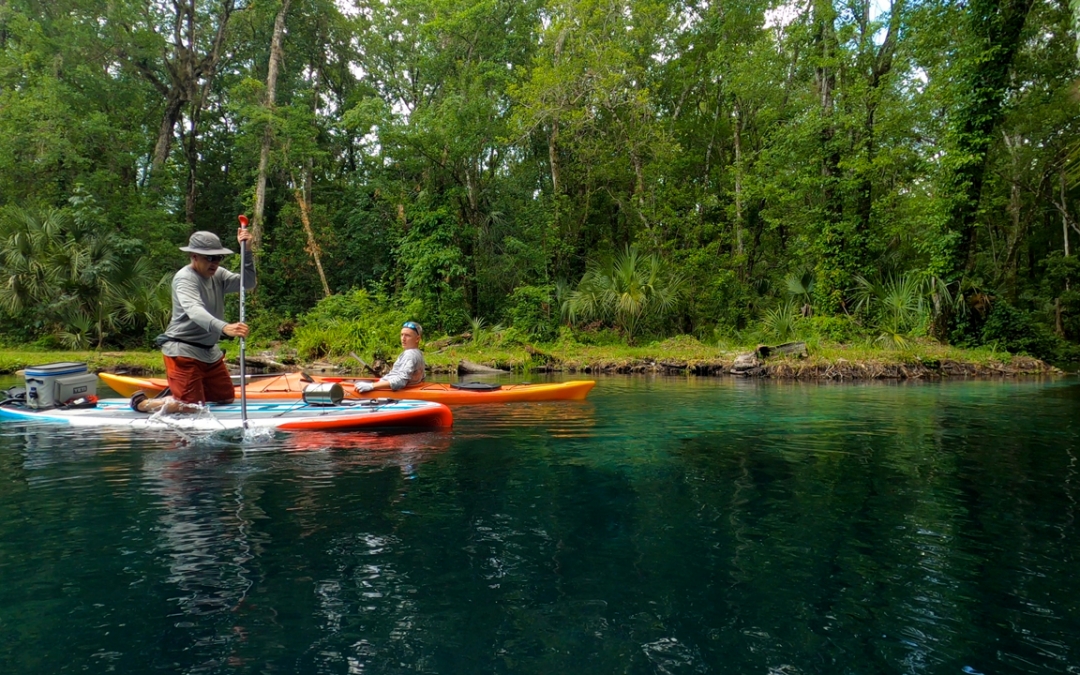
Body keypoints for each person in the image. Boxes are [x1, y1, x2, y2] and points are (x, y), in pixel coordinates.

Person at [132, 229, 256, 414]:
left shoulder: (219, 274)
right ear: (194, 256)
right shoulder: (185, 279)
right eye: (209, 258)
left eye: (218, 257)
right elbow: (195, 311)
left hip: (209, 352)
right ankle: (142, 403)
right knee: (191, 407)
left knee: (226, 398)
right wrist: (224, 327)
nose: (214, 263)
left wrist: (247, 251)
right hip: (183, 351)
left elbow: (247, 283)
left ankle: (181, 392)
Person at [356, 321, 426, 393]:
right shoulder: (418, 353)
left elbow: (400, 381)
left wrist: (371, 386)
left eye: (407, 335)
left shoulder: (410, 355)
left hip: (399, 392)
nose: (403, 339)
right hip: (409, 387)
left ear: (417, 339)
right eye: (402, 335)